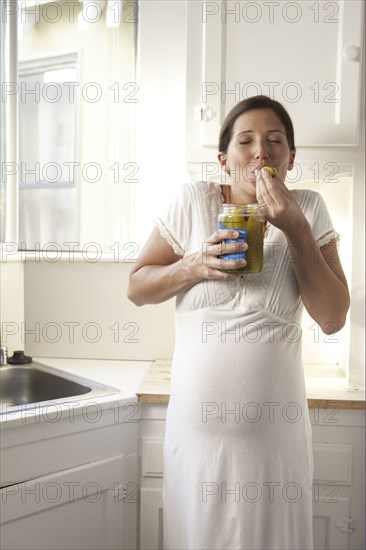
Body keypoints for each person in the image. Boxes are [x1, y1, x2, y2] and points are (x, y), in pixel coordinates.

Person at [127, 95, 350, 550]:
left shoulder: (309, 207)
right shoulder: (193, 201)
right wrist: (193, 266)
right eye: (246, 140)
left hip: (274, 443)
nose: (261, 152)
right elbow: (137, 287)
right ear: (224, 159)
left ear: (291, 157)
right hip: (197, 441)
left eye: (275, 141)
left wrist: (296, 228)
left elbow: (332, 318)